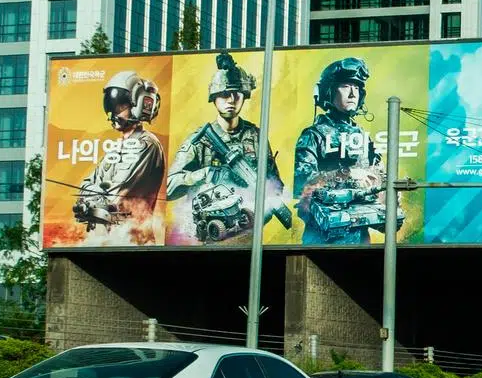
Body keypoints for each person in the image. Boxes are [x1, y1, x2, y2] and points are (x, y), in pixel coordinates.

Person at [165, 52, 292, 243]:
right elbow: (169, 188)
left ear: (244, 96)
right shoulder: (199, 139)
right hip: (209, 237)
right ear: (214, 98)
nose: (231, 100)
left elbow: (275, 184)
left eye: (236, 94)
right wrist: (206, 174)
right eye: (224, 94)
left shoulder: (256, 137)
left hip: (248, 236)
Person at [293, 57, 403, 244]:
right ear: (329, 91)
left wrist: (390, 192)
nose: (353, 94)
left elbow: (380, 174)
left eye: (357, 88)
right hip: (322, 238)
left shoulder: (363, 137)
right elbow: (302, 182)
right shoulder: (313, 135)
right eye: (345, 86)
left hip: (360, 239)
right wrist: (347, 173)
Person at [73, 71, 165, 232]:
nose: (113, 113)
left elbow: (117, 195)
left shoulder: (147, 144)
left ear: (139, 105)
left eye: (120, 106)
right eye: (112, 106)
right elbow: (85, 186)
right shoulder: (114, 150)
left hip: (135, 243)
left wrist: (95, 194)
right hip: (108, 240)